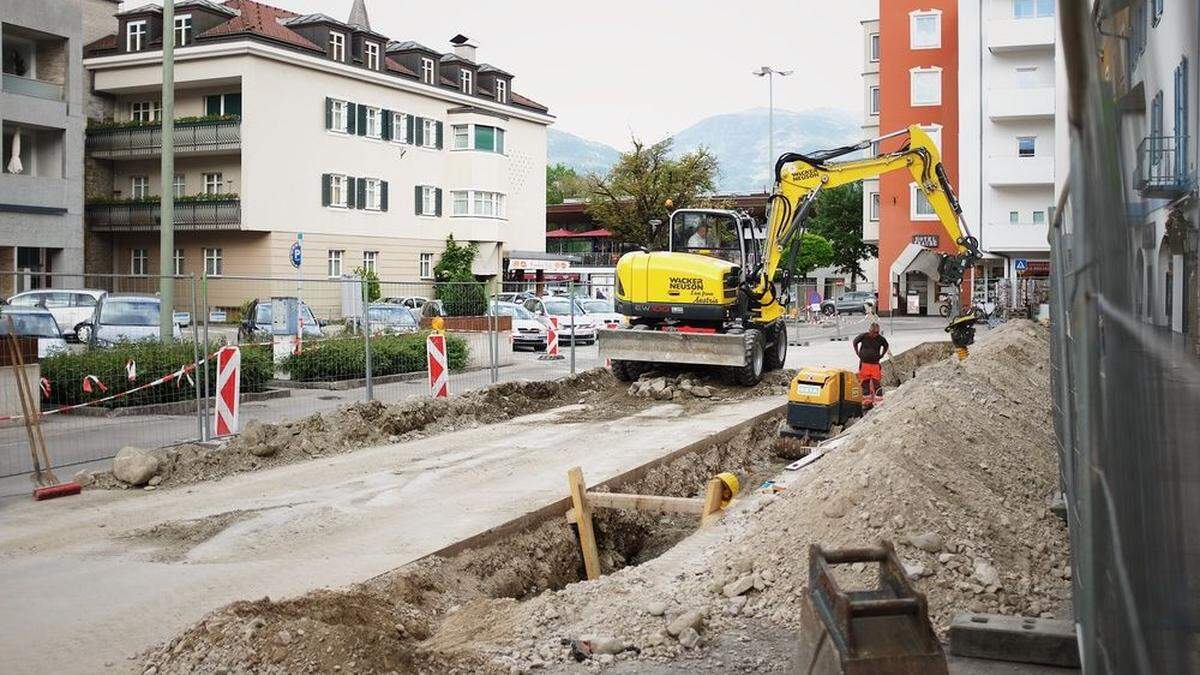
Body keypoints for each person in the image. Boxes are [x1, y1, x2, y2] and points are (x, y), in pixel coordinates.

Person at [853, 322, 890, 409]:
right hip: (864, 364)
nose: (874, 334)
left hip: (875, 365)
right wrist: (857, 353)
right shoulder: (864, 336)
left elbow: (886, 346)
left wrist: (882, 355)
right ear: (869, 330)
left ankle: (879, 402)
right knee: (864, 383)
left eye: (876, 332)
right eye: (872, 332)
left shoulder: (880, 339)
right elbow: (855, 342)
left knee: (876, 382)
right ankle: (867, 402)